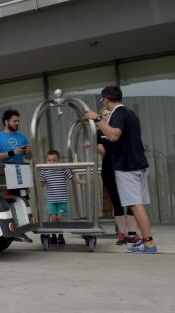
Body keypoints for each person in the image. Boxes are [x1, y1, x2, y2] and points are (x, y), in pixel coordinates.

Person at [84, 85, 157, 253]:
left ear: (106, 100)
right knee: (139, 206)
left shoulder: (118, 114)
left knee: (135, 205)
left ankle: (149, 244)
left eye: (102, 100)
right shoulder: (131, 113)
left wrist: (96, 119)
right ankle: (147, 240)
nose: (102, 103)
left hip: (127, 166)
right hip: (139, 164)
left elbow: (114, 135)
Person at [97, 107, 140, 246]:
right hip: (109, 169)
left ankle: (133, 234)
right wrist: (95, 145)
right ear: (101, 117)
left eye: (109, 114)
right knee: (117, 202)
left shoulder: (121, 129)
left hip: (125, 167)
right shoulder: (99, 132)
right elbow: (102, 151)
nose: (107, 116)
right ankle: (122, 234)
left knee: (130, 201)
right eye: (105, 115)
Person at [39, 149, 88, 245]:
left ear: (59, 161)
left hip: (62, 200)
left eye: (54, 160)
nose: (52, 163)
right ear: (46, 161)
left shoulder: (63, 170)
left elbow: (73, 178)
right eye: (49, 160)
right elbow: (42, 183)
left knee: (60, 218)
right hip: (51, 200)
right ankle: (53, 235)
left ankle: (60, 236)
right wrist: (36, 183)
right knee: (53, 218)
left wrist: (83, 181)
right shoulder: (45, 171)